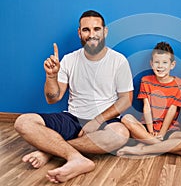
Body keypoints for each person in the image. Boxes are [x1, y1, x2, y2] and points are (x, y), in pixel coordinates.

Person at [14, 10, 133, 183]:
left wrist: (97, 120)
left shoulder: (119, 60)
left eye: (96, 29)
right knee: (23, 122)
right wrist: (51, 76)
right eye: (86, 30)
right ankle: (75, 157)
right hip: (72, 118)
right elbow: (53, 98)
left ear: (105, 31)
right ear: (79, 33)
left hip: (105, 122)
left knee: (121, 134)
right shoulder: (69, 60)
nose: (91, 35)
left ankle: (50, 151)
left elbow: (126, 99)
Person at [117, 42, 181, 157]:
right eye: (157, 62)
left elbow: (172, 110)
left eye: (165, 62)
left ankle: (143, 149)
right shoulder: (146, 80)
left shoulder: (180, 84)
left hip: (169, 129)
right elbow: (146, 107)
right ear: (151, 64)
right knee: (126, 119)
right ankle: (170, 149)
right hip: (146, 129)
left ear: (172, 65)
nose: (160, 66)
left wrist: (162, 133)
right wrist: (150, 130)